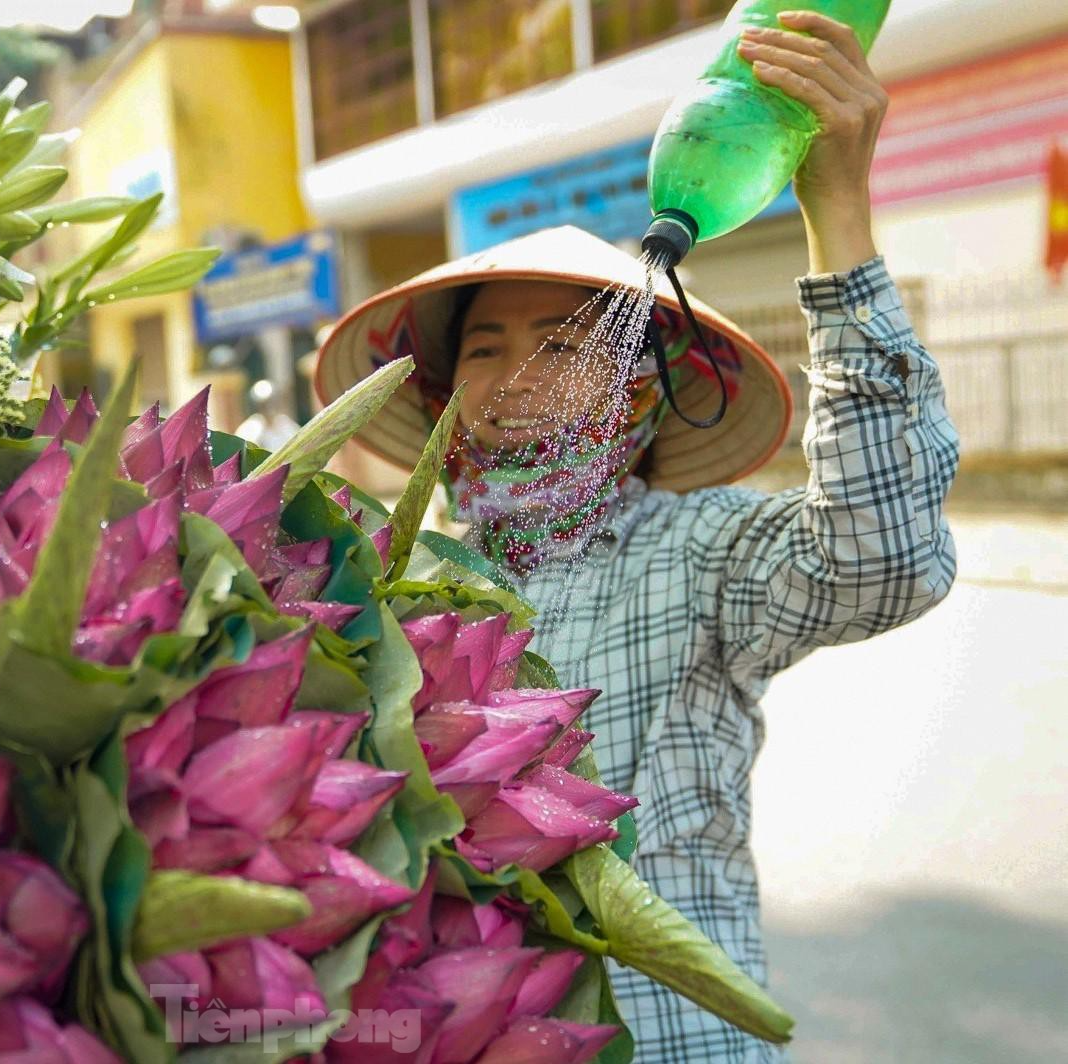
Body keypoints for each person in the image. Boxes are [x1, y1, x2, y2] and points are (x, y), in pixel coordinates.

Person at [314, 12, 958, 1063]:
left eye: (570, 341)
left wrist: (836, 208)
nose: (521, 372)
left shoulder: (700, 550)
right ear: (443, 395)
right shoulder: (395, 586)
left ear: (637, 396)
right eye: (485, 345)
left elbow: (881, 559)